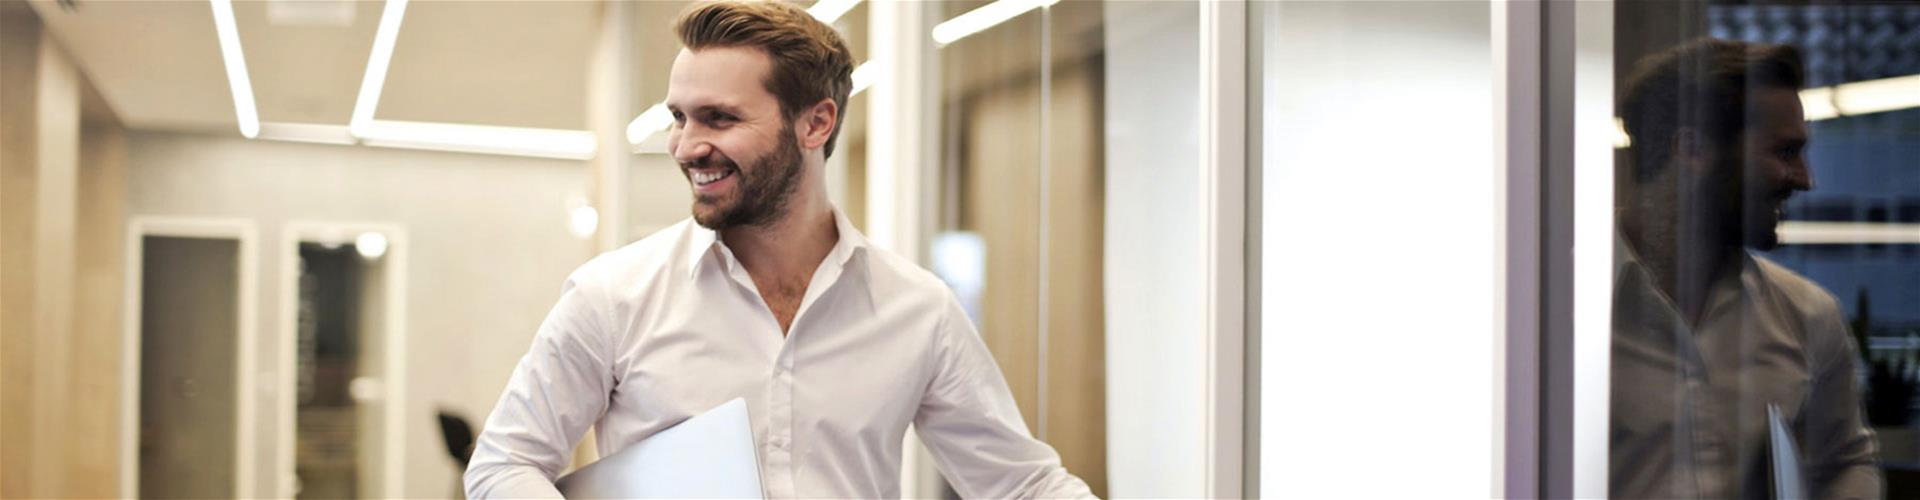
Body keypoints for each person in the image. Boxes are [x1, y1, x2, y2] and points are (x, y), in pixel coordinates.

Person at [462, 1, 1094, 498]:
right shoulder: (612, 295)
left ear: (815, 123)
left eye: (719, 118)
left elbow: (1022, 485)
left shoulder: (918, 310)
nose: (685, 146)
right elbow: (503, 463)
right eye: (678, 118)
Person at [1612, 38, 1880, 498]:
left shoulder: (1807, 316)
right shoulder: (1554, 314)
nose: (1805, 179)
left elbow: (1845, 461)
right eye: (1785, 152)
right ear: (1692, 150)